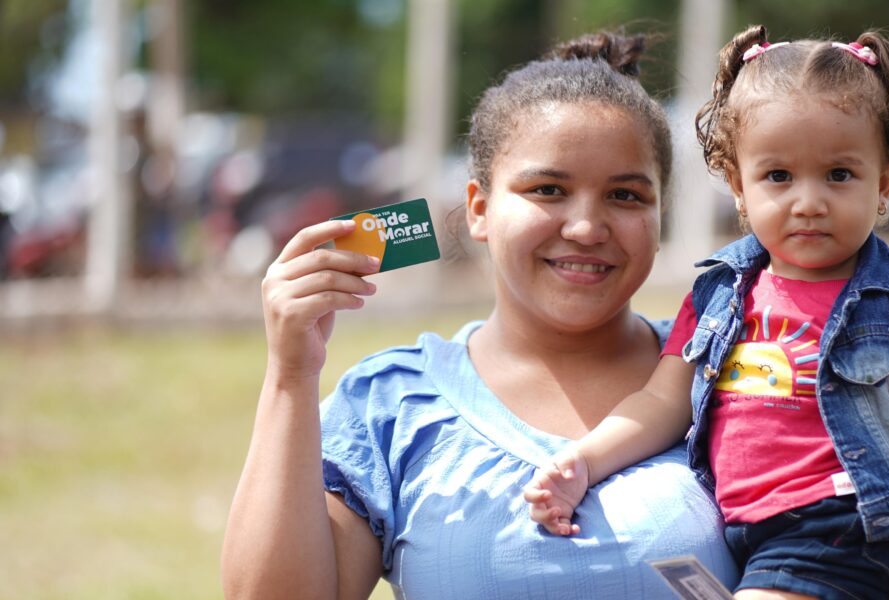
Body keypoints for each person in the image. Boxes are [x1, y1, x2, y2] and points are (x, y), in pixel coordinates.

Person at [220, 31, 740, 600]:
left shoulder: (726, 374)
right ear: (479, 208)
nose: (587, 228)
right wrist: (290, 378)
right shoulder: (390, 405)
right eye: (548, 189)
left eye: (626, 197)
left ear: (660, 215)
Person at [525, 26, 889, 600]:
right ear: (738, 185)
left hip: (846, 530)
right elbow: (660, 402)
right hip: (762, 540)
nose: (808, 201)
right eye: (778, 176)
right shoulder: (719, 296)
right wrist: (583, 461)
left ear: (882, 183)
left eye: (839, 175)